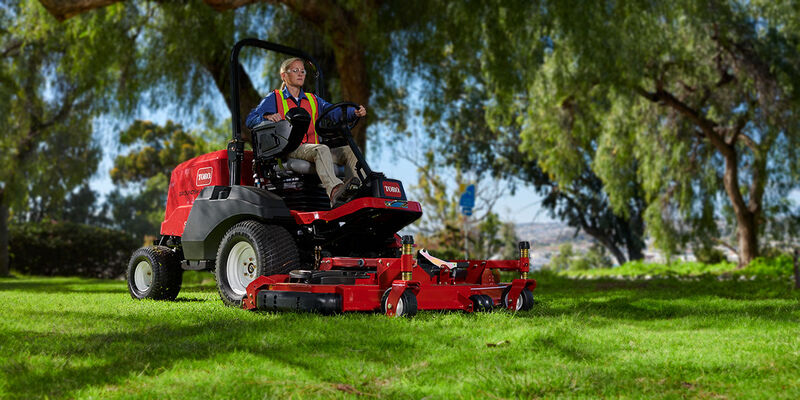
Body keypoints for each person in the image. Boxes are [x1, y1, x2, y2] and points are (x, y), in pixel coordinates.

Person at [246, 57, 367, 206]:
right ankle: (335, 191)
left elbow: (334, 112)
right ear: (284, 75)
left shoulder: (313, 99)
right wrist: (267, 117)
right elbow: (251, 119)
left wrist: (353, 112)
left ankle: (351, 194)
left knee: (352, 151)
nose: (300, 74)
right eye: (295, 70)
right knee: (321, 149)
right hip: (291, 148)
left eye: (302, 71)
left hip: (313, 149)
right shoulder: (274, 98)